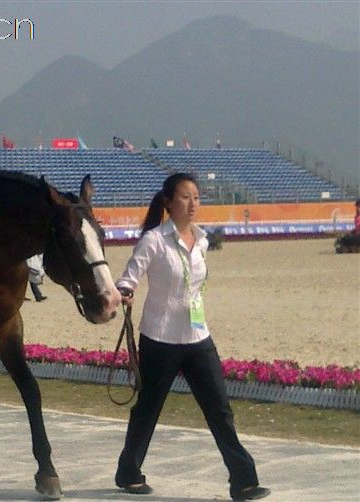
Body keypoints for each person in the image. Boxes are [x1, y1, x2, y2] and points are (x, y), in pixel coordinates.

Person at [113, 173, 270, 501]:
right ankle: (129, 472)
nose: (193, 203)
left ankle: (243, 480)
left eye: (197, 197)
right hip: (160, 338)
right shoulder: (153, 240)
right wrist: (125, 291)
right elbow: (130, 277)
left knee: (220, 409)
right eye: (185, 197)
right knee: (148, 408)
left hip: (198, 337)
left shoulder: (201, 240)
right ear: (169, 202)